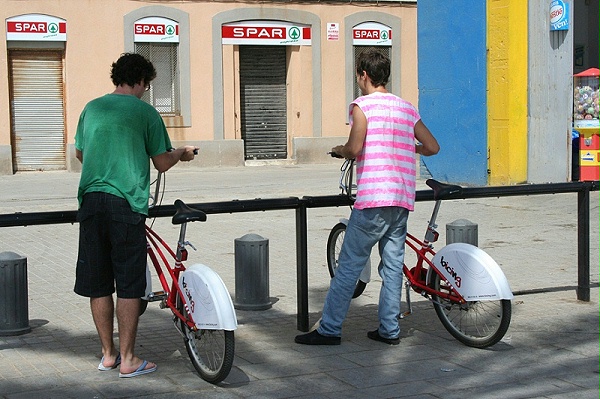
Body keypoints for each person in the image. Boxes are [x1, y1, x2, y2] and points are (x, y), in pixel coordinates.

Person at [295, 49, 439, 346]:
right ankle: (389, 330)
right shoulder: (406, 108)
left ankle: (330, 329)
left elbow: (356, 146)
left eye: (358, 75)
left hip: (373, 199)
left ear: (363, 74)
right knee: (392, 267)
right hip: (401, 199)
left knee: (348, 266)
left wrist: (339, 150)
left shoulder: (362, 106)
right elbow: (432, 146)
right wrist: (412, 149)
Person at [74, 53, 198, 377]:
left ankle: (108, 355)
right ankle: (129, 359)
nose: (145, 90)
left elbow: (79, 152)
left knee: (98, 283)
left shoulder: (92, 108)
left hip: (90, 201)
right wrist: (182, 154)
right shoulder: (145, 112)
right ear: (141, 80)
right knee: (129, 283)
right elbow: (161, 161)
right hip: (125, 203)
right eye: (147, 85)